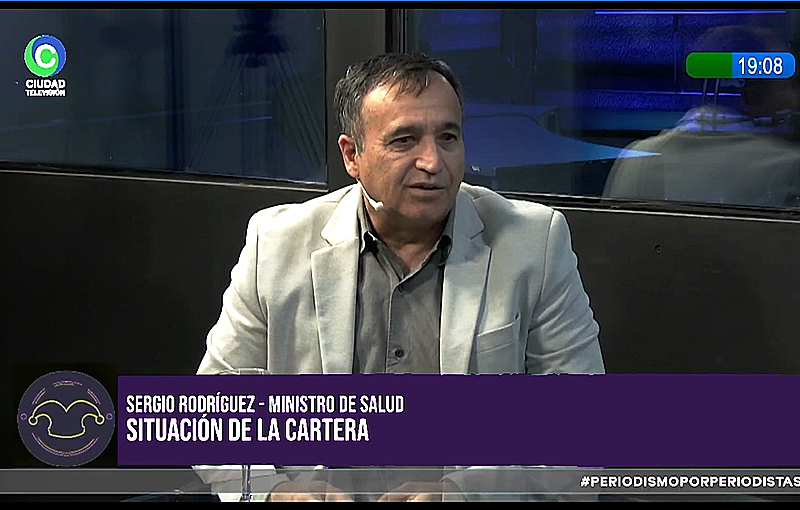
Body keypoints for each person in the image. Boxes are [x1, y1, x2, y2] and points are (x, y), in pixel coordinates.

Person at [196, 53, 604, 501]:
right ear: (352, 155)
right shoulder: (276, 244)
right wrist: (274, 493)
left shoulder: (533, 244)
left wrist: (465, 494)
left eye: (448, 137)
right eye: (405, 140)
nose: (433, 161)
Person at [604, 25, 800, 207]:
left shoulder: (636, 159)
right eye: (786, 86)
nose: (794, 101)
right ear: (752, 94)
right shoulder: (789, 168)